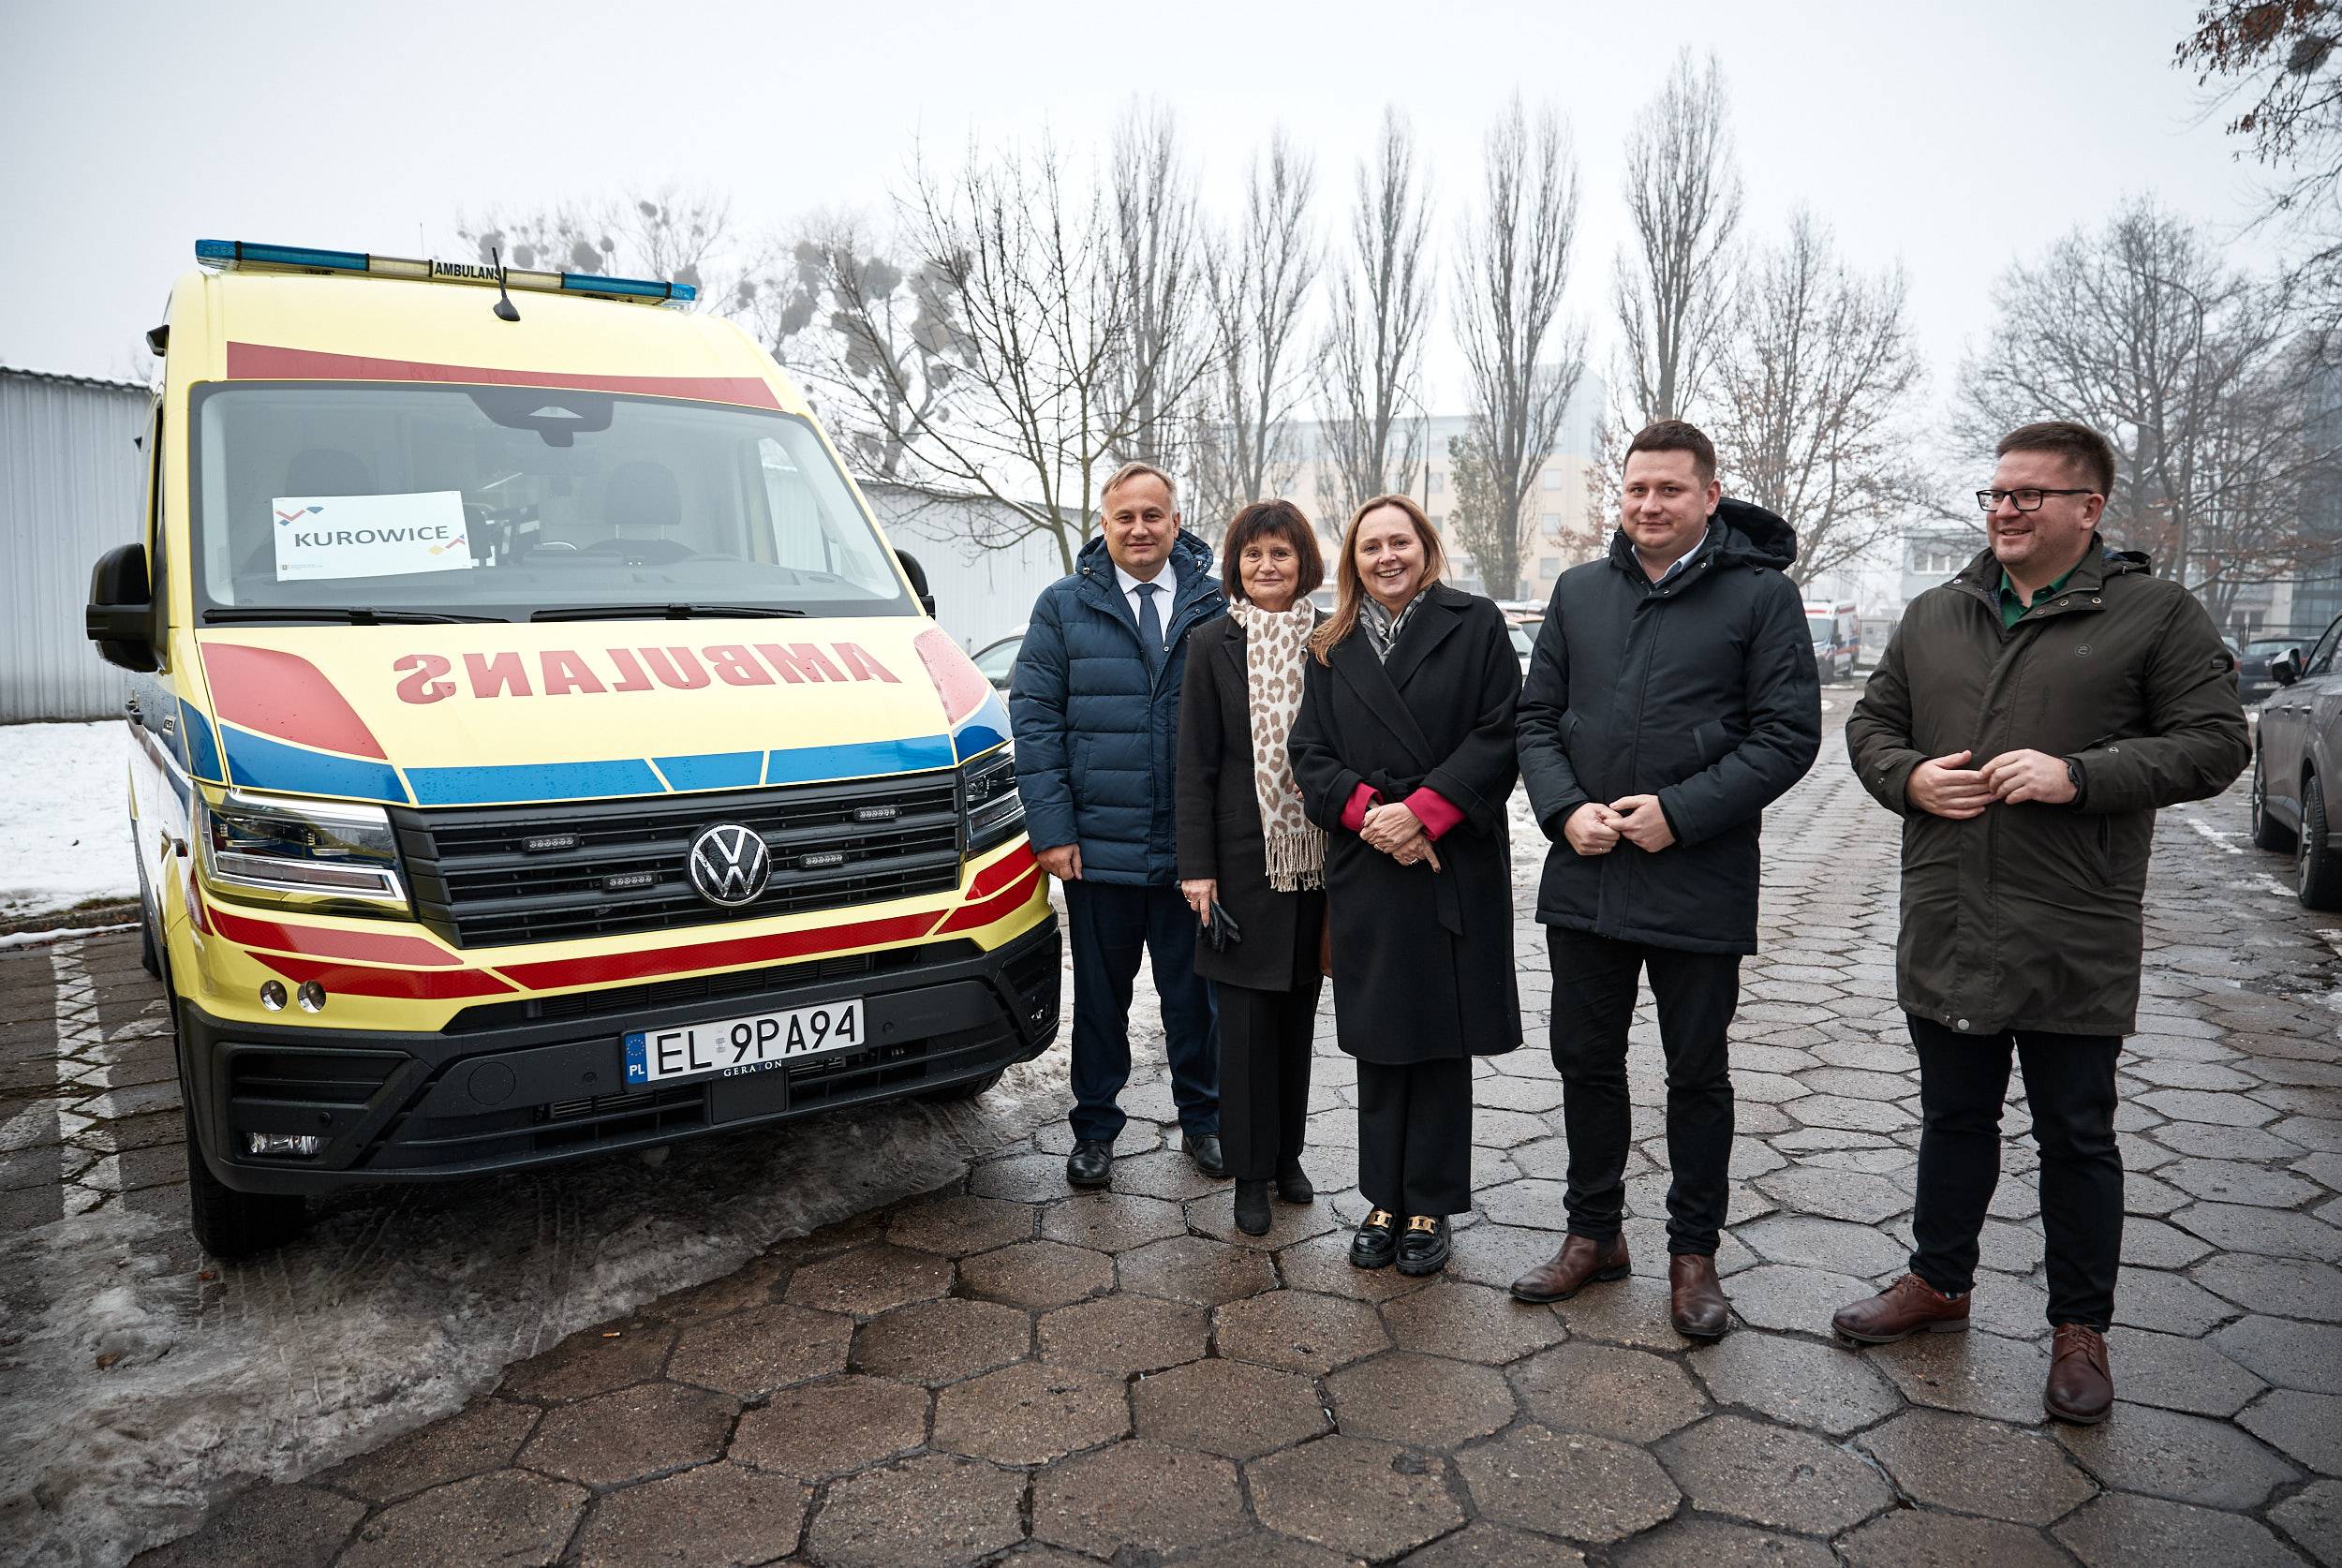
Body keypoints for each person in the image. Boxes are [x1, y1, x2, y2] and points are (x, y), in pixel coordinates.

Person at [1835, 420, 2250, 1423]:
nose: (2006, 510)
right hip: (1949, 912)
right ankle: (1939, 1282)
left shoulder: (2153, 614)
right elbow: (1871, 723)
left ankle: (2079, 1329)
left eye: (2029, 494)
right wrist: (1907, 778)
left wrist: (2080, 775)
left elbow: (2214, 743)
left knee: (2075, 1132)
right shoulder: (1937, 611)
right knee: (1953, 1117)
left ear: (2088, 508)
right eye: (1996, 493)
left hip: (2073, 923)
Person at [1510, 420, 1821, 1339]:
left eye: (1670, 489)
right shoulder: (1578, 593)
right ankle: (1593, 1234)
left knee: (1696, 1072)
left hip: (1699, 878)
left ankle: (1694, 1256)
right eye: (1637, 488)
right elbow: (1535, 718)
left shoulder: (1761, 597)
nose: (1649, 504)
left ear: (1709, 497)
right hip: (1589, 873)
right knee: (1585, 1061)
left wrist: (1679, 813)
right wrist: (1564, 809)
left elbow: (1787, 735)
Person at [1288, 495, 1521, 1277]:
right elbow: (1309, 753)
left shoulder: (1475, 622)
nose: (1386, 557)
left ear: (1426, 547)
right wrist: (1370, 814)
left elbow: (1501, 732)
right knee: (1381, 1040)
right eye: (1370, 547)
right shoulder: (1330, 643)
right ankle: (1382, 1199)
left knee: (1440, 1040)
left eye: (1400, 542)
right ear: (1353, 561)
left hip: (1450, 858)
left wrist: (1424, 811)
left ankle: (1430, 1203)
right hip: (1370, 864)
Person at [1011, 462, 1227, 1190]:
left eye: (1152, 515)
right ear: (1103, 525)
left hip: (1190, 854)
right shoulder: (1063, 606)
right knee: (1102, 1004)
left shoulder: (1213, 605)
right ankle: (1095, 1131)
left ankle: (1204, 1121)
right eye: (1124, 516)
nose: (1139, 529)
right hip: (1097, 851)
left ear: (1175, 522)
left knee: (1195, 1002)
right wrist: (1052, 829)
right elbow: (1035, 722)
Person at [1177, 501, 1329, 1236]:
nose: (1267, 566)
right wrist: (1197, 869)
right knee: (1242, 1032)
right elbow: (1195, 762)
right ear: (1235, 564)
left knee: (1297, 1019)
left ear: (1305, 563)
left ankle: (1287, 1155)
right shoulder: (1212, 642)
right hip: (1240, 865)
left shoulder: (1332, 638)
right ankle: (1248, 1174)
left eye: (1281, 553)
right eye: (1253, 554)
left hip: (1316, 861)